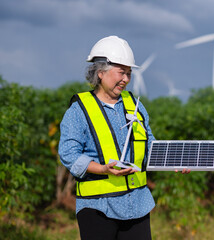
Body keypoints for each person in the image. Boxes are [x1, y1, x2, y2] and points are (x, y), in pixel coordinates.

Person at [58, 35, 189, 240]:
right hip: (98, 207)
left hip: (137, 205)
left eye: (129, 73)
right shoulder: (79, 110)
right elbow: (68, 154)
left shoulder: (135, 105)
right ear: (100, 72)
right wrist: (102, 169)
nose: (126, 79)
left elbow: (148, 144)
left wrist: (174, 160)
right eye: (121, 72)